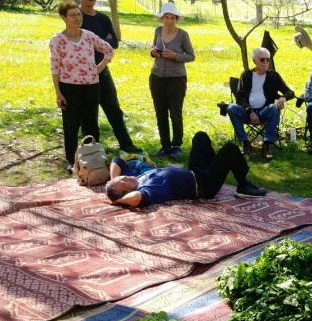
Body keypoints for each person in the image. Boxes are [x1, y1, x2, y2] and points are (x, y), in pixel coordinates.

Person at [106, 131, 267, 207]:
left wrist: (114, 180)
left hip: (196, 171)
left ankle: (220, 166)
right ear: (127, 192)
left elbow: (117, 160)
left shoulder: (134, 177)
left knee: (200, 137)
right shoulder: (146, 190)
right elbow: (135, 199)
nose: (125, 178)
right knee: (230, 148)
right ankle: (243, 185)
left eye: (122, 178)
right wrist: (119, 201)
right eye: (124, 183)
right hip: (205, 186)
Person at [49, 0, 114, 173]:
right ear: (64, 17)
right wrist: (58, 93)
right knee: (71, 125)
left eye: (79, 14)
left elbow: (108, 49)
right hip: (69, 88)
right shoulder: (57, 40)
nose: (77, 18)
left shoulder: (88, 36)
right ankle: (72, 160)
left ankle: (93, 159)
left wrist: (99, 68)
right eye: (73, 15)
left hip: (91, 87)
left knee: (91, 124)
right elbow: (55, 67)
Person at [79, 0, 141, 153]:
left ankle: (126, 143)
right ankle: (92, 149)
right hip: (82, 74)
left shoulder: (103, 19)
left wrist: (100, 43)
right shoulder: (76, 16)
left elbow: (114, 41)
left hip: (103, 70)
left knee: (113, 108)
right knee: (89, 113)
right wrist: (101, 41)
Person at [226, 47, 294, 162]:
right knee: (231, 107)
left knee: (274, 108)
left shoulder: (273, 76)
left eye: (268, 60)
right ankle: (246, 142)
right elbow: (240, 97)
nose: (266, 62)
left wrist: (283, 97)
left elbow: (290, 92)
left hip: (264, 112)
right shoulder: (246, 75)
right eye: (263, 60)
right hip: (247, 112)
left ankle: (266, 145)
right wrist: (250, 111)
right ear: (254, 61)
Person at [149, 2, 195, 158]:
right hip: (157, 77)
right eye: (166, 17)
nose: (169, 21)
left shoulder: (183, 34)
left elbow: (191, 56)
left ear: (176, 19)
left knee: (175, 113)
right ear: (162, 19)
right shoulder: (157, 31)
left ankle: (176, 146)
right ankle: (165, 145)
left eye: (172, 18)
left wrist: (175, 56)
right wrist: (153, 52)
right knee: (160, 112)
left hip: (176, 79)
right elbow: (152, 47)